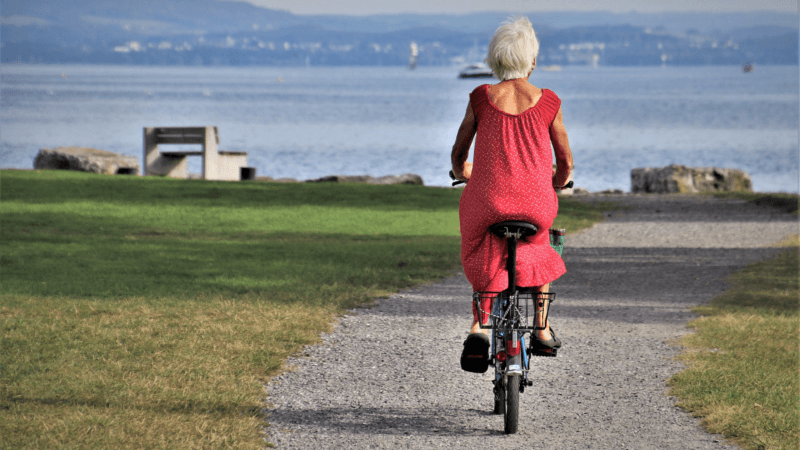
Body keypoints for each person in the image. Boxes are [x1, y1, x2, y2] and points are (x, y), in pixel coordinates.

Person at [451, 16, 573, 371]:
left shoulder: (481, 97)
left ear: (494, 60)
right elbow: (564, 160)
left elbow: (460, 154)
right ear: (532, 61)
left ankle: (480, 328)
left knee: (484, 243)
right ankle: (541, 326)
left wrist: (464, 173)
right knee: (539, 246)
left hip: (487, 202)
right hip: (535, 205)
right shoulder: (549, 102)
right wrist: (559, 180)